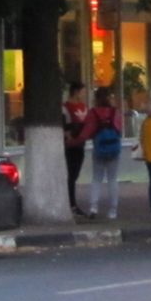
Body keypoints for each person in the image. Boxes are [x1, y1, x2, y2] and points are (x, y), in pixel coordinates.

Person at [68, 86, 123, 220]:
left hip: (99, 149)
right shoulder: (115, 112)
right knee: (112, 179)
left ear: (96, 99)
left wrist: (72, 142)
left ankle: (93, 207)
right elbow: (119, 130)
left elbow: (86, 133)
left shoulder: (93, 113)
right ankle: (113, 210)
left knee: (96, 178)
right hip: (114, 149)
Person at [62, 81, 88, 216]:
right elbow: (65, 126)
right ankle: (71, 203)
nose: (84, 95)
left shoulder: (83, 107)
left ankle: (72, 203)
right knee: (70, 175)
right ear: (76, 92)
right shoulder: (66, 108)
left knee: (75, 174)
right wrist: (69, 137)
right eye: (82, 92)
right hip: (70, 146)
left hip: (80, 144)